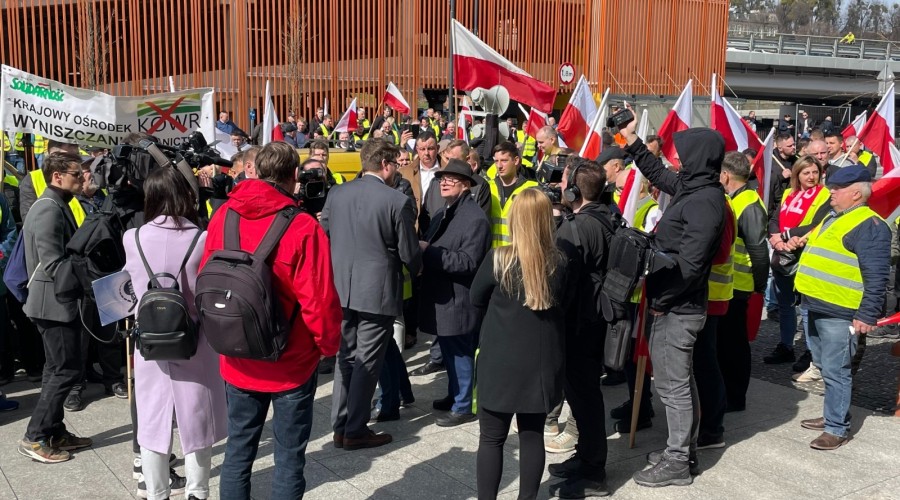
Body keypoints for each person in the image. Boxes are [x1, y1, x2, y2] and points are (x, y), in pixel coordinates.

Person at [202, 141, 342, 498]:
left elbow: (207, 277)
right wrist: (328, 346)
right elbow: (319, 300)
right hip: (290, 362)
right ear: (293, 176)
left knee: (238, 451)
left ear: (256, 170)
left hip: (236, 354)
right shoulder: (303, 227)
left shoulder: (222, 215)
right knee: (289, 459)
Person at [622, 115, 727, 487]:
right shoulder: (692, 186)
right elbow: (657, 170)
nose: (676, 160)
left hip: (678, 307)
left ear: (699, 158)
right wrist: (631, 138)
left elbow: (692, 265)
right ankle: (684, 448)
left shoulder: (705, 202)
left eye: (683, 155)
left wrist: (663, 301)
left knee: (673, 386)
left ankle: (679, 460)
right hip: (672, 302)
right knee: (680, 382)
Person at [123, 167, 227, 500]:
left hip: (150, 340)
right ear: (186, 195)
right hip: (195, 338)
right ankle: (197, 492)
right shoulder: (202, 238)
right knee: (198, 417)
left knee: (152, 421)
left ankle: (156, 493)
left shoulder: (132, 238)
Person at [471, 188, 575, 500]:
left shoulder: (499, 258)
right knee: (532, 438)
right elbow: (567, 306)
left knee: (491, 439)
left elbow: (475, 300)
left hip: (500, 358)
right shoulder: (560, 262)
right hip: (541, 363)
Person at [322, 139, 422, 451]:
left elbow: (323, 232)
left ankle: (341, 426)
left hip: (341, 288)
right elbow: (409, 252)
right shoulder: (395, 200)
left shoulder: (337, 193)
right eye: (396, 164)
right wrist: (419, 267)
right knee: (366, 359)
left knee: (345, 358)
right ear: (387, 164)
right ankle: (355, 429)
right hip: (377, 292)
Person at [794, 165, 890, 449]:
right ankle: (832, 415)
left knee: (837, 370)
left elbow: (876, 276)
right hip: (816, 303)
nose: (830, 193)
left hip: (839, 311)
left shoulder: (869, 225)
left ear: (857, 194)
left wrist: (866, 314)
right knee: (825, 365)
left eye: (837, 190)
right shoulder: (836, 217)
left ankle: (836, 427)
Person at [546, 157, 614, 498]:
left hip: (578, 324)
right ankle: (586, 456)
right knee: (585, 395)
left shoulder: (577, 227)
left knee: (584, 396)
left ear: (573, 189)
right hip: (595, 320)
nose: (559, 186)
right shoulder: (606, 215)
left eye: (564, 183)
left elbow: (559, 282)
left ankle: (594, 469)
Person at [18, 152, 93, 463]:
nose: (82, 177)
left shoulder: (57, 204)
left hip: (56, 303)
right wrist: (88, 266)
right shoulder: (48, 209)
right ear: (57, 176)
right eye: (76, 173)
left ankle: (55, 431)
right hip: (53, 305)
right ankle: (35, 437)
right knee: (65, 370)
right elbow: (53, 265)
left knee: (58, 369)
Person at [418, 159, 491, 427]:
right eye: (442, 179)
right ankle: (454, 396)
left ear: (466, 185)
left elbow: (468, 262)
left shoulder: (475, 219)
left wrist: (429, 252)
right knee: (450, 352)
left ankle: (463, 406)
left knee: (460, 353)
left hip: (459, 299)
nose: (444, 182)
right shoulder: (443, 213)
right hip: (443, 297)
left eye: (451, 179)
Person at [764, 157, 831, 365]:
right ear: (797, 175)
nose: (811, 177)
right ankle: (786, 346)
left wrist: (784, 236)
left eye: (815, 172)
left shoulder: (825, 195)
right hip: (783, 256)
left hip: (806, 255)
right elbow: (774, 219)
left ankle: (811, 352)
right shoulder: (788, 193)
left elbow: (817, 223)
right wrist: (775, 239)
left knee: (807, 307)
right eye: (806, 173)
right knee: (785, 304)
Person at [717, 152, 769, 413]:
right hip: (731, 284)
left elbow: (759, 251)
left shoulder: (748, 203)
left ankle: (736, 397)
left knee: (735, 345)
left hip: (740, 285)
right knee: (726, 343)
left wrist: (759, 285)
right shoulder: (735, 198)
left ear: (726, 175)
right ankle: (728, 391)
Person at [489, 142, 539, 248]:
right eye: (496, 161)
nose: (499, 166)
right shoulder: (487, 187)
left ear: (516, 161)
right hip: (491, 255)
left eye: (504, 161)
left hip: (519, 253)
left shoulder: (531, 189)